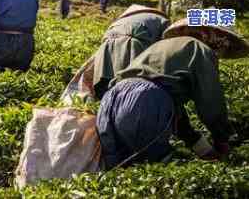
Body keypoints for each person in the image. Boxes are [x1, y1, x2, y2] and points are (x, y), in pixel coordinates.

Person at [96, 19, 249, 170]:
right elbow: (211, 100)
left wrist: (202, 148)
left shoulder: (161, 46)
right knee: (157, 170)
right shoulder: (200, 49)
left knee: (119, 168)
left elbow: (178, 117)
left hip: (111, 101)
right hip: (145, 102)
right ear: (211, 36)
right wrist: (221, 137)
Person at [92, 4, 170, 99]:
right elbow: (165, 50)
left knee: (106, 85)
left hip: (107, 42)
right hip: (133, 42)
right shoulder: (161, 19)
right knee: (132, 87)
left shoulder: (122, 20)